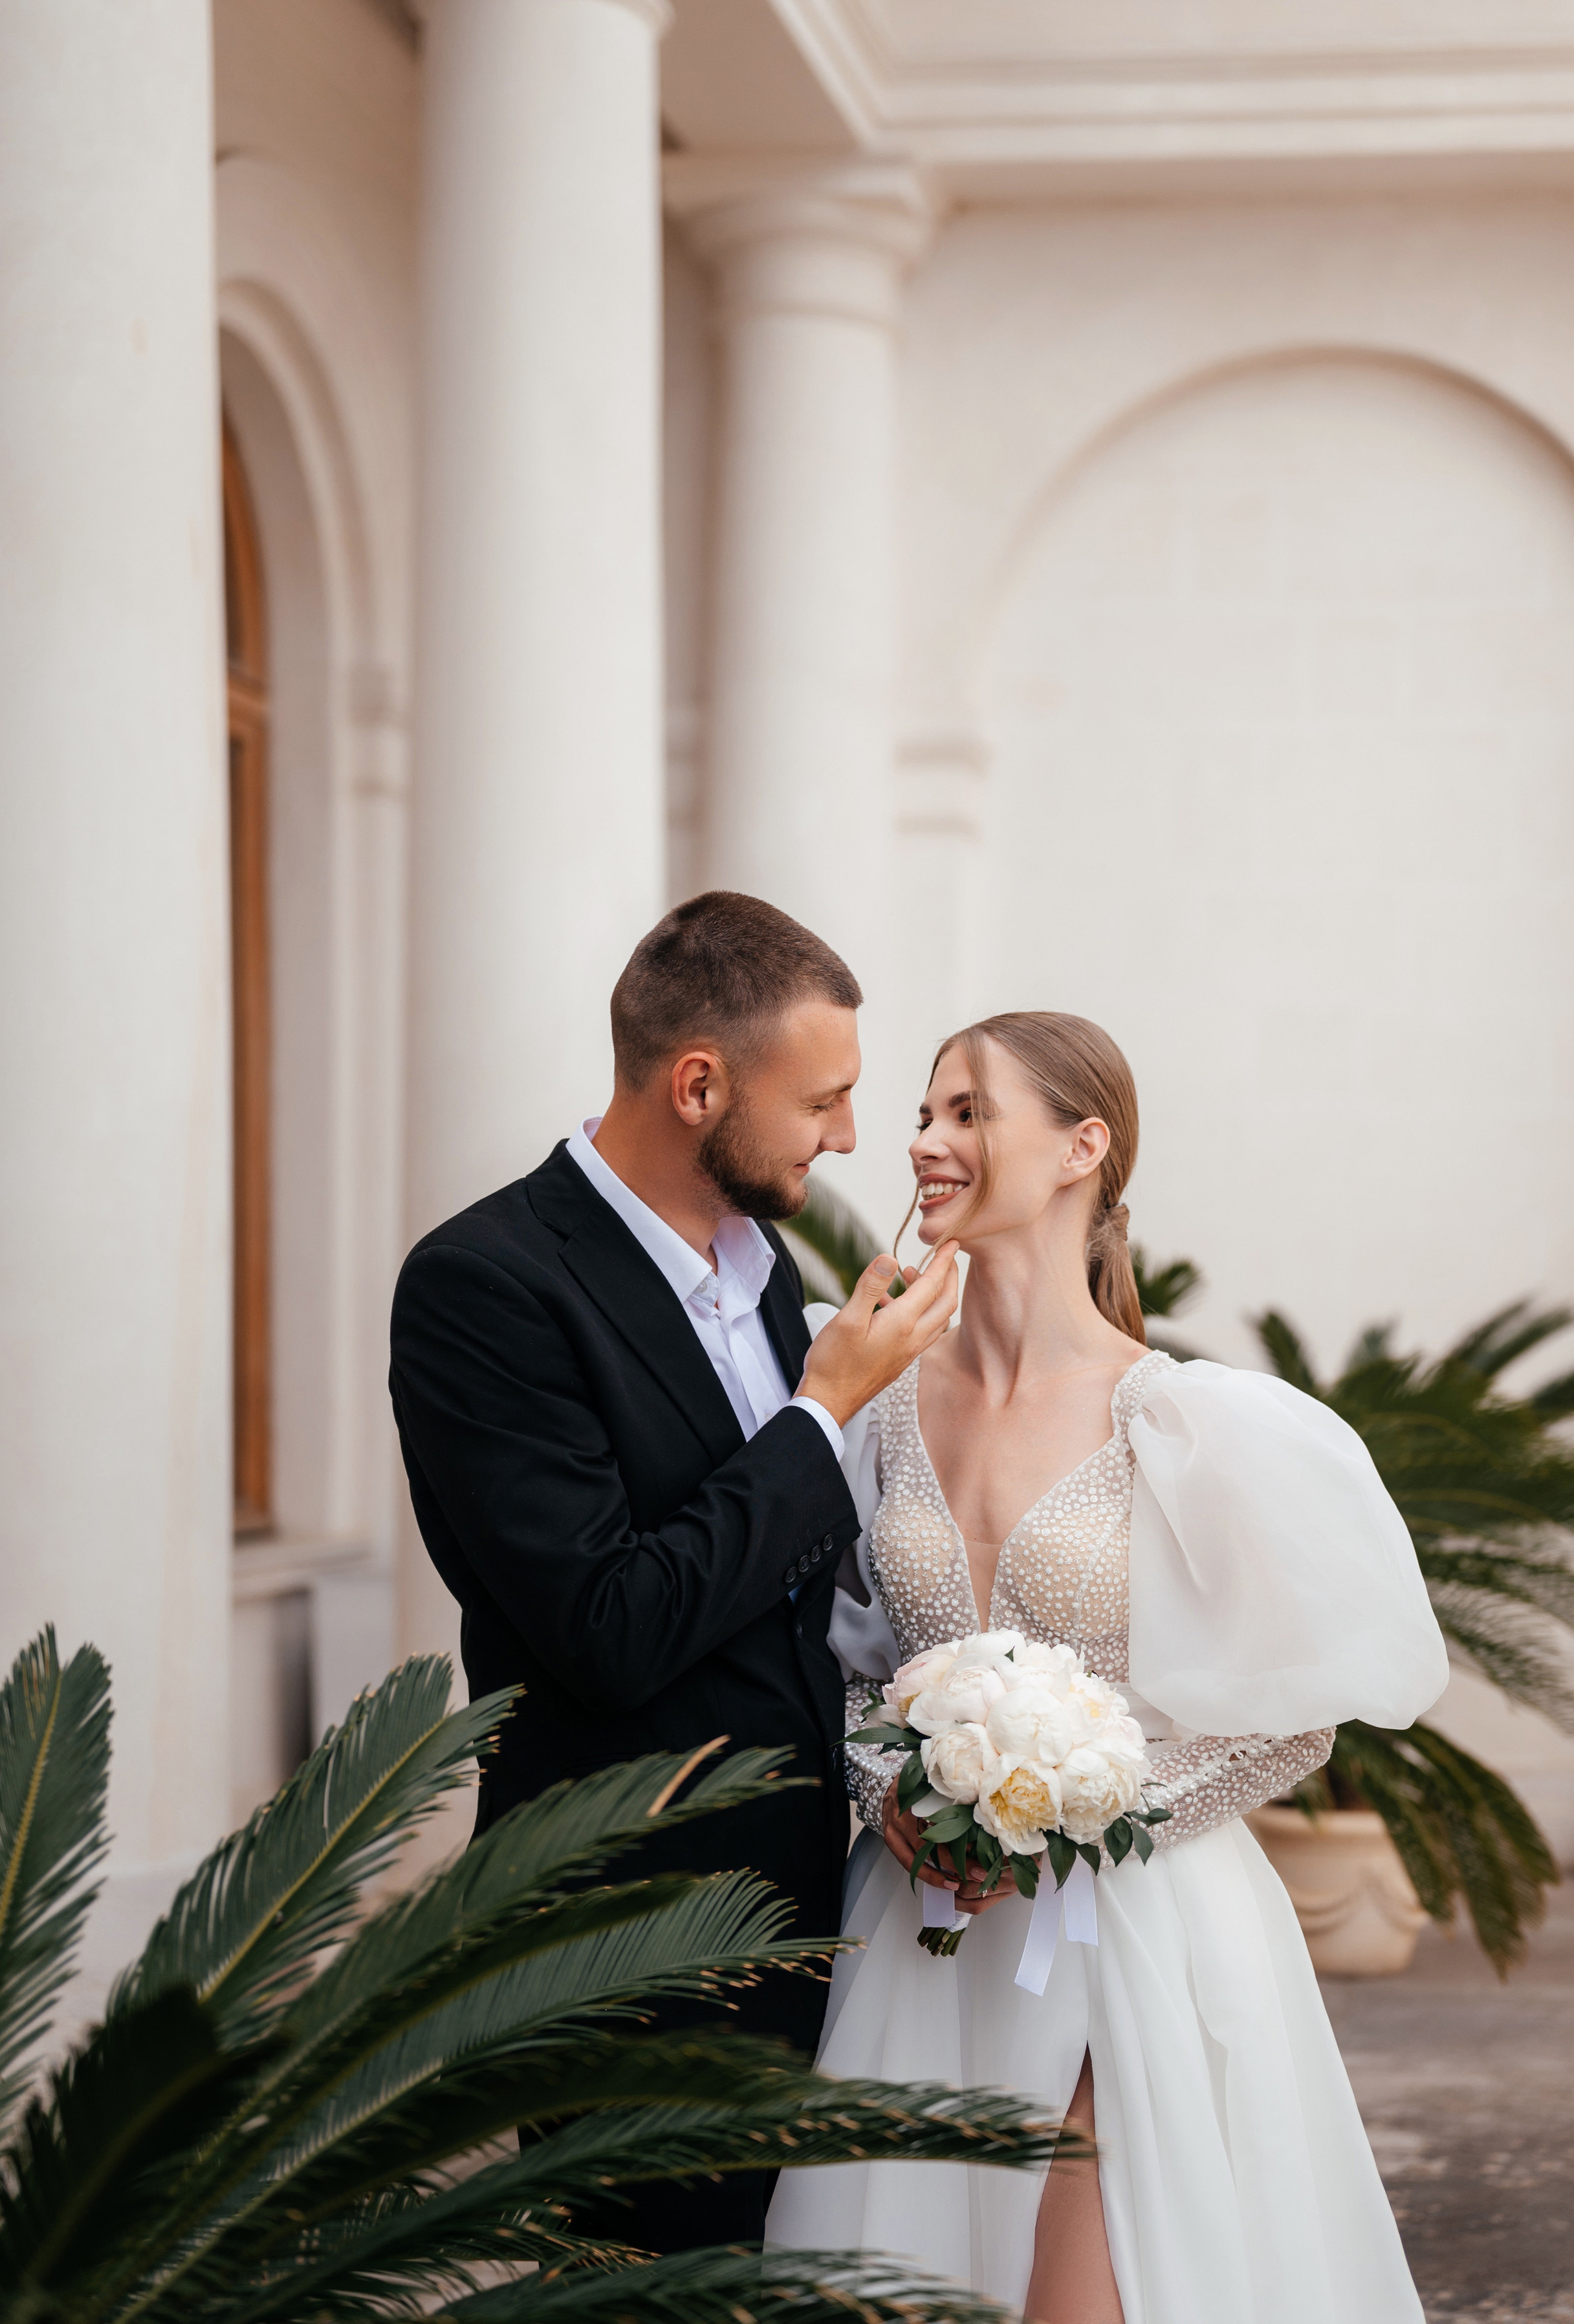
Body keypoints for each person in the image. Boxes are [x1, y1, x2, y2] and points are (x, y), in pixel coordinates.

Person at [767, 1011, 1448, 2324]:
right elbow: (843, 1664)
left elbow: (1290, 1724)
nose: (922, 1141)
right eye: (924, 1111)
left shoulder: (1185, 1421)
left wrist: (1080, 1816)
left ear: (1084, 1146)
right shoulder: (873, 1402)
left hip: (1135, 1931)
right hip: (922, 1937)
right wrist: (883, 1790)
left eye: (966, 1112)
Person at [389, 891, 960, 2254]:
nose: (847, 1139)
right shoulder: (483, 1285)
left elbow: (793, 1597)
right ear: (697, 1084)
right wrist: (821, 1416)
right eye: (820, 1100)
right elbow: (608, 1622)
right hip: (627, 1932)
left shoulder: (765, 1270)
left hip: (814, 1911)